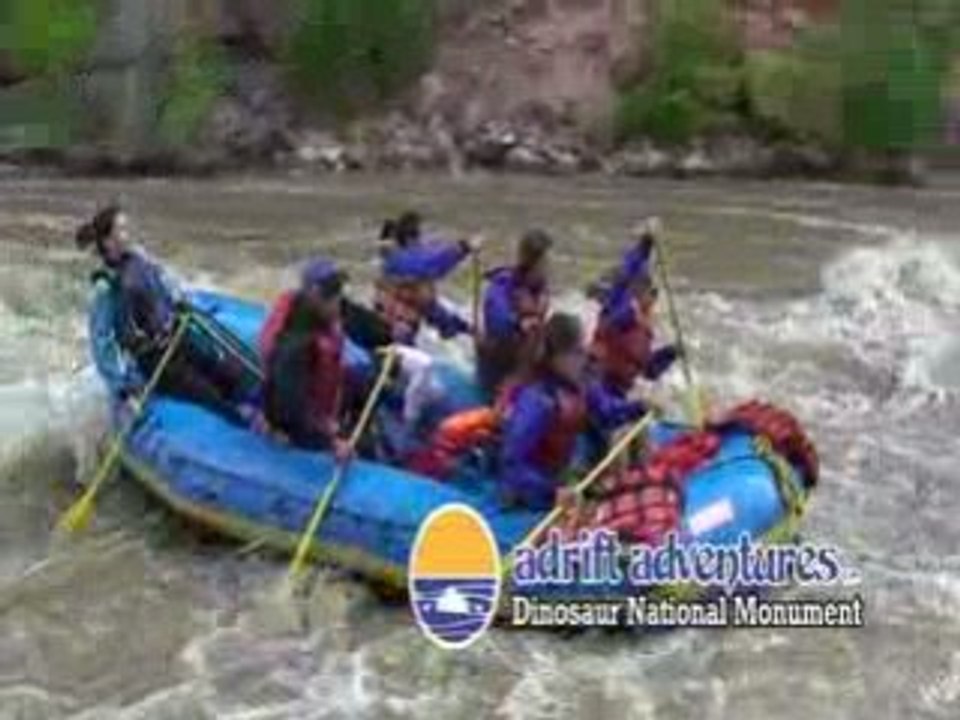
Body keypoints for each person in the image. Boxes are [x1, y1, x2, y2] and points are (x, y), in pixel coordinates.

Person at [78, 205, 248, 422]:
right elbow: (102, 343)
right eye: (121, 230)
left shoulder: (138, 257)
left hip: (177, 337)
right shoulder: (106, 288)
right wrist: (124, 389)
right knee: (212, 398)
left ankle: (254, 412)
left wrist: (182, 301)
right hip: (156, 360)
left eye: (126, 228)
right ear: (108, 242)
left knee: (231, 375)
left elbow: (164, 280)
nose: (128, 234)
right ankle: (239, 421)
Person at [497, 313, 647, 510]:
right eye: (577, 353)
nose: (584, 358)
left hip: (561, 477)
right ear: (556, 357)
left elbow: (607, 411)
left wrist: (638, 407)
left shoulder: (582, 383)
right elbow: (512, 463)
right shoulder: (537, 399)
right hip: (533, 490)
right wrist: (551, 492)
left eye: (583, 350)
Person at [262, 259, 353, 459]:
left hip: (325, 418)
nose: (337, 301)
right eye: (331, 294)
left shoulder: (322, 317)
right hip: (299, 433)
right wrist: (330, 443)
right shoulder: (296, 346)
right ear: (314, 297)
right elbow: (288, 412)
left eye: (337, 292)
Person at [588, 220, 679, 413]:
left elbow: (648, 371)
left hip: (619, 394)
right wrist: (646, 245)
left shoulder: (645, 327)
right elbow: (627, 272)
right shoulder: (619, 311)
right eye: (652, 292)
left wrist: (671, 353)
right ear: (638, 292)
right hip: (597, 389)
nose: (655, 298)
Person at [374, 210, 478, 346]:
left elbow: (431, 308)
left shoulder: (392, 259)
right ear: (412, 238)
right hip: (396, 328)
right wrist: (465, 247)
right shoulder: (409, 263)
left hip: (387, 322)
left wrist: (459, 327)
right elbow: (436, 262)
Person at [477, 229, 553, 395]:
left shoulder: (540, 288)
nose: (548, 267)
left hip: (524, 364)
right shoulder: (503, 284)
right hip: (499, 366)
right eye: (545, 262)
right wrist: (518, 323)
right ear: (532, 262)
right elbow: (497, 319)